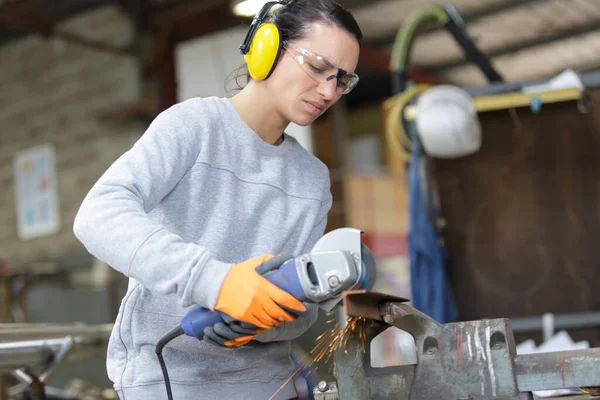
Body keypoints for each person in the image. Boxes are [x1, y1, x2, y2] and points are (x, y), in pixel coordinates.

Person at [72, 0, 362, 399]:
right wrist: (217, 283)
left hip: (266, 386)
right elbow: (97, 215)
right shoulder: (193, 127)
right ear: (267, 47)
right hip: (168, 381)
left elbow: (303, 314)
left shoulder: (312, 180)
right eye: (317, 68)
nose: (328, 91)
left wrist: (261, 318)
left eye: (342, 80)